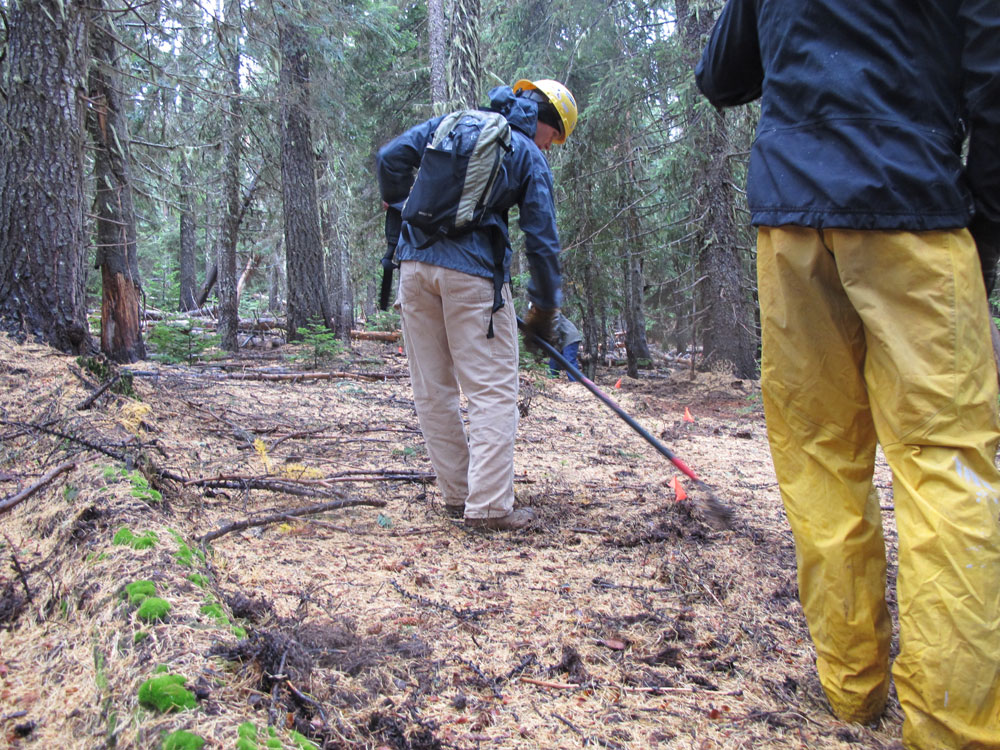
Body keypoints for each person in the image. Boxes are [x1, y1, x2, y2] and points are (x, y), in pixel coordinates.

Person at [695, 3, 1000, 749]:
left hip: (792, 223)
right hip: (915, 209)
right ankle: (952, 730)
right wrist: (983, 227)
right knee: (947, 468)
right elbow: (994, 78)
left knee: (821, 459)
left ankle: (852, 691)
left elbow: (722, 76)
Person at [376, 79, 578, 531]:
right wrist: (544, 310)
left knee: (433, 390)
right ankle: (488, 508)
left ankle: (459, 495)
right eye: (556, 137)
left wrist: (404, 209)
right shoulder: (525, 150)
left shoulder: (452, 124)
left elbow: (390, 159)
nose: (553, 146)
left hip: (413, 269)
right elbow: (542, 241)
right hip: (472, 278)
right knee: (492, 392)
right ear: (548, 123)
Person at [547, 311, 582, 381]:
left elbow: (555, 330)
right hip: (563, 339)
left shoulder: (550, 311)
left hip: (569, 337)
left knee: (569, 362)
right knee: (553, 361)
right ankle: (552, 381)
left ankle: (575, 384)